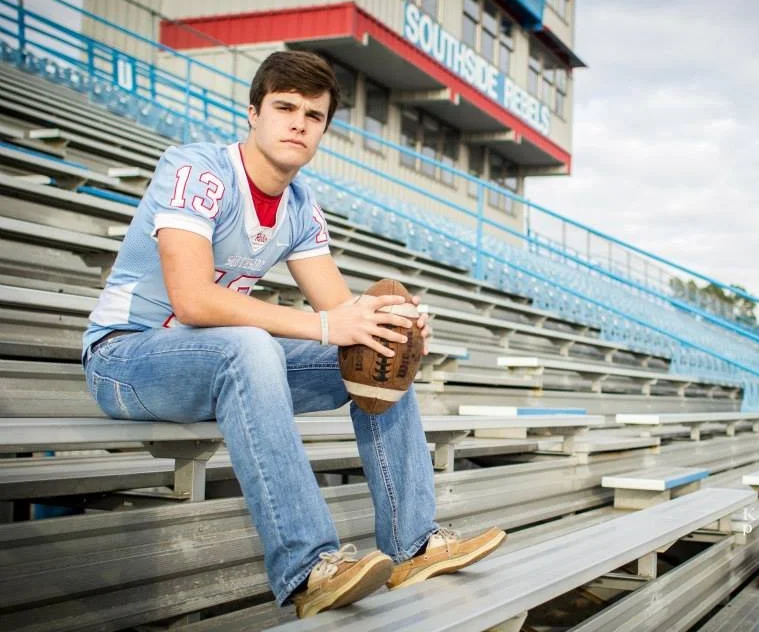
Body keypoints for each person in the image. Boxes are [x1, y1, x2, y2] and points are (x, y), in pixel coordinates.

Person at [81, 50, 505, 619]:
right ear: (253, 112)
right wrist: (329, 324)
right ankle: (308, 567)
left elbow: (340, 307)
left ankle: (412, 543)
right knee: (251, 341)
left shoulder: (302, 205)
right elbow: (192, 299)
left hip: (219, 363)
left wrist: (395, 322)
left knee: (378, 348)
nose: (299, 123)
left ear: (324, 131)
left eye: (314, 115)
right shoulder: (198, 169)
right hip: (126, 358)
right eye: (285, 107)